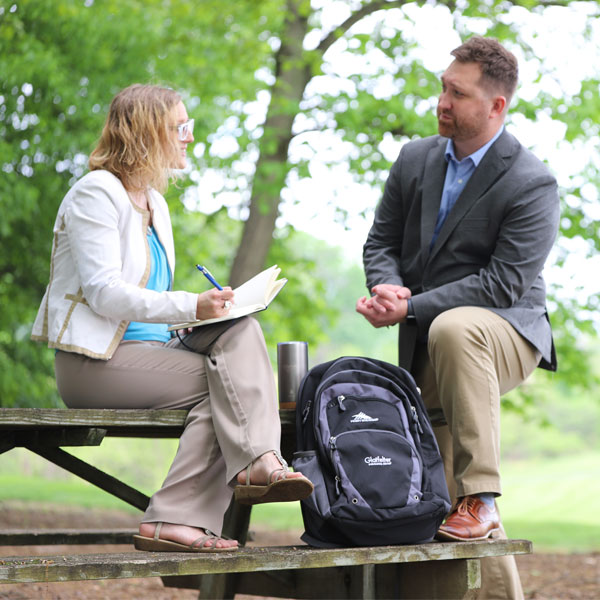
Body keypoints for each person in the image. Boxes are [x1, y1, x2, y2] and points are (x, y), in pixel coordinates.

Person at [31, 83, 313, 553]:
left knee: (241, 329)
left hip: (148, 355)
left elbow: (150, 303)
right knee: (225, 386)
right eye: (180, 127)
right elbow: (104, 294)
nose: (188, 137)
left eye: (189, 126)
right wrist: (190, 305)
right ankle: (248, 469)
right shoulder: (95, 194)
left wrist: (200, 317)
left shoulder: (156, 205)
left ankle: (197, 505)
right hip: (95, 365)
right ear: (145, 132)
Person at [356, 37, 559, 598]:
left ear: (496, 106)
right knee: (436, 492)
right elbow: (382, 241)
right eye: (443, 86)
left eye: (458, 94)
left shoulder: (532, 183)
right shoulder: (415, 159)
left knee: (455, 325)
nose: (442, 101)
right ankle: (482, 523)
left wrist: (412, 307)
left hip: (507, 331)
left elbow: (502, 285)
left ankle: (485, 493)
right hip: (432, 336)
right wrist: (386, 284)